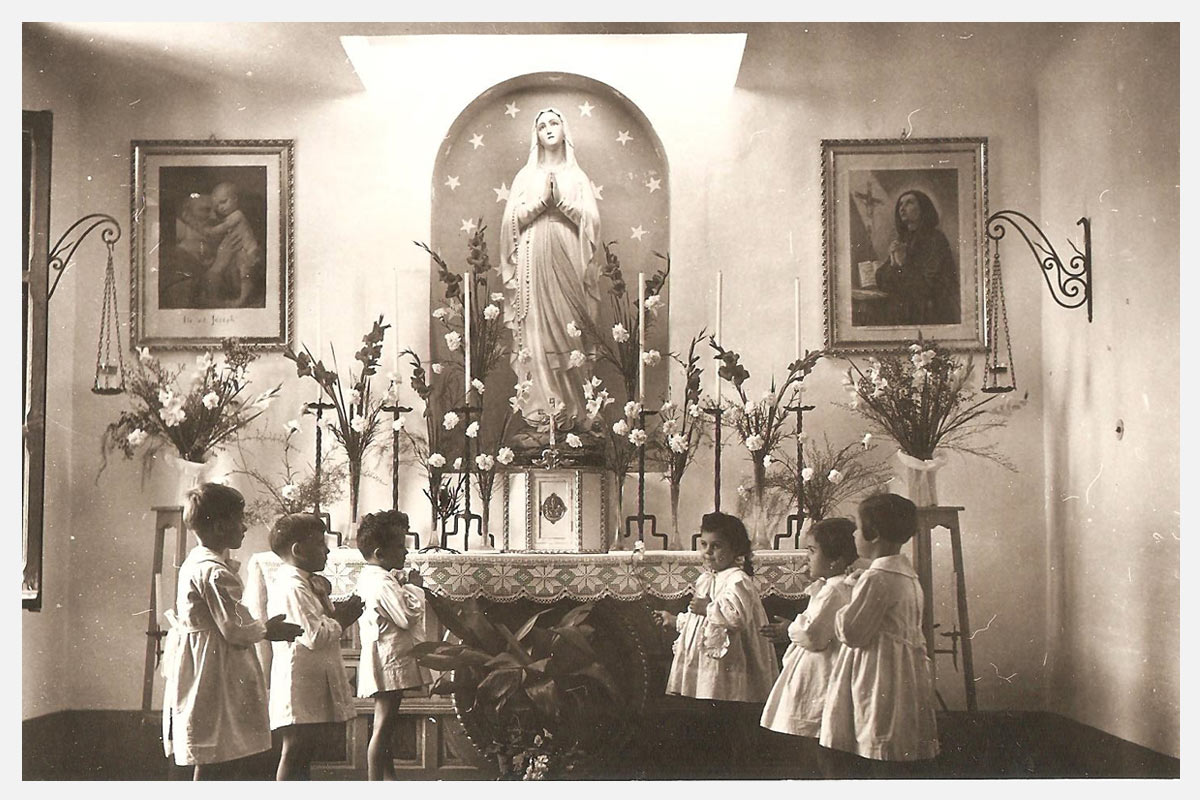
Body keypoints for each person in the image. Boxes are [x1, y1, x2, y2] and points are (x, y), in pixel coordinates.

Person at [161, 483, 302, 780]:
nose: (245, 527)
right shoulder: (215, 572)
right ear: (221, 526)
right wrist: (266, 629)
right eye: (240, 520)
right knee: (218, 748)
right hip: (215, 668)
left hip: (205, 661)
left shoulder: (198, 561)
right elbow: (234, 627)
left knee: (217, 748)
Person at [819, 493, 940, 777]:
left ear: (873, 535)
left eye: (858, 529)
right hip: (903, 670)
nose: (854, 535)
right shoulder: (906, 575)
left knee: (875, 727)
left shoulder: (876, 578)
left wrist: (847, 598)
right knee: (895, 732)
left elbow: (851, 632)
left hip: (878, 670)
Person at [500, 107, 602, 442]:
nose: (548, 129)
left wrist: (563, 204)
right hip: (532, 260)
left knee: (570, 330)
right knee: (536, 334)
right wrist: (542, 203)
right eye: (541, 124)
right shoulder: (525, 177)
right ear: (536, 135)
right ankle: (541, 414)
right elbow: (509, 224)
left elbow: (592, 223)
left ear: (564, 130)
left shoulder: (577, 177)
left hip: (567, 256)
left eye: (554, 122)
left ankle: (572, 413)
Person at [658, 512, 779, 766]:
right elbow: (699, 621)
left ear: (735, 548)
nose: (708, 552)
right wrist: (675, 620)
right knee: (710, 708)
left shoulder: (737, 581)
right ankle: (713, 760)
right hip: (710, 663)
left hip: (732, 661)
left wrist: (708, 607)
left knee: (729, 709)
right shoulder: (707, 579)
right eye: (704, 545)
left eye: (716, 546)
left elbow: (735, 618)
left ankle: (734, 764)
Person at [267, 513, 364, 780]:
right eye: (321, 544)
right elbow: (314, 635)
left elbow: (321, 621)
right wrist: (342, 619)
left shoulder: (305, 581)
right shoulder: (293, 586)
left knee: (304, 750)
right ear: (298, 550)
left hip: (309, 680)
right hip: (298, 681)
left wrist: (335, 610)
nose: (327, 550)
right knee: (295, 749)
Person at [759, 517, 858, 746]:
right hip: (825, 663)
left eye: (812, 551)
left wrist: (790, 629)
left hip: (823, 667)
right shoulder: (833, 586)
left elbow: (813, 636)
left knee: (819, 727)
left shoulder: (834, 590)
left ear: (834, 560)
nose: (807, 557)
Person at [354, 510, 431, 780]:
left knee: (385, 726)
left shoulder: (377, 576)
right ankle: (377, 784)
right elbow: (406, 617)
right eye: (400, 546)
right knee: (383, 727)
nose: (406, 552)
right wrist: (414, 587)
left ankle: (389, 782)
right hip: (389, 660)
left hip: (386, 658)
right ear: (380, 552)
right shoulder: (381, 580)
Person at [874, 189, 960, 326]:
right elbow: (881, 279)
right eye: (900, 204)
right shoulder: (903, 240)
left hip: (932, 313)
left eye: (909, 203)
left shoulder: (935, 239)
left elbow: (927, 286)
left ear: (923, 208)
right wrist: (893, 262)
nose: (902, 208)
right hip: (908, 311)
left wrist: (902, 265)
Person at [206, 181, 263, 308]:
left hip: (250, 250)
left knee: (245, 274)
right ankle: (240, 296)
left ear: (235, 199)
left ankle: (243, 298)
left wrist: (209, 231)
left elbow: (223, 227)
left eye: (223, 201)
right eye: (217, 206)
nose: (220, 207)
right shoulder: (230, 216)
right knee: (238, 272)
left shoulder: (237, 215)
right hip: (241, 251)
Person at [162, 192, 220, 309]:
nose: (214, 217)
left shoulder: (215, 242)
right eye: (205, 210)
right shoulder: (175, 249)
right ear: (186, 215)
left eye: (216, 211)